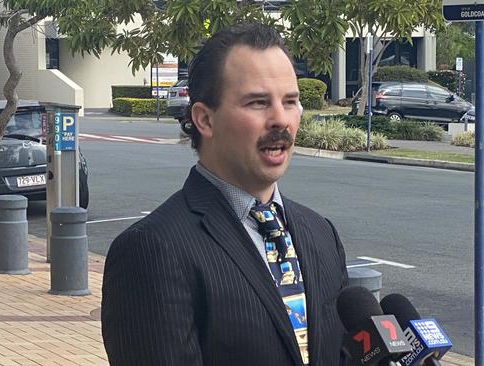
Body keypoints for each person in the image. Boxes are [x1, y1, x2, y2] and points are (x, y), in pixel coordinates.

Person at [101, 22, 348, 366]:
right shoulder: (151, 249)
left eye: (290, 101)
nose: (281, 119)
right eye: (258, 103)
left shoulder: (321, 234)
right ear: (204, 119)